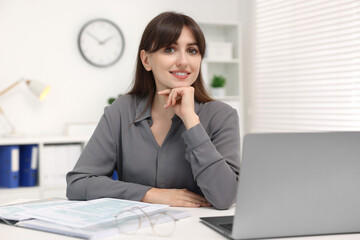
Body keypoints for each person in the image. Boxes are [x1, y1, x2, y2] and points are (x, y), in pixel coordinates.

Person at [66, 11, 240, 210]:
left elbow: (225, 196)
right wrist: (150, 194)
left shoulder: (222, 116)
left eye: (192, 51)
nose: (183, 61)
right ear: (146, 60)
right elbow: (78, 184)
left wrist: (191, 120)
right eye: (169, 49)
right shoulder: (121, 111)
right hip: (136, 230)